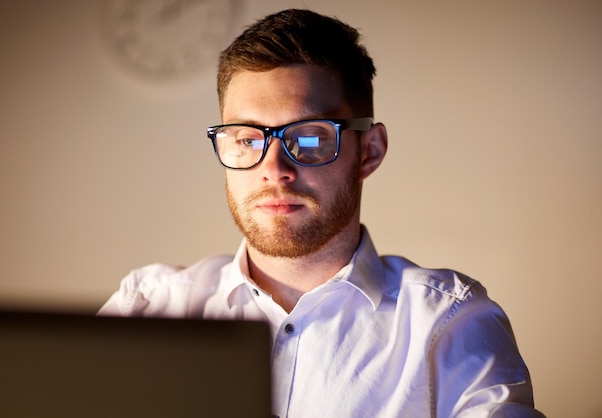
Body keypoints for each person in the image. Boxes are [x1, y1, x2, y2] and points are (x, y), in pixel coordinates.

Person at [99, 9, 545, 418]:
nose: (274, 170)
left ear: (369, 151)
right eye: (248, 139)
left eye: (309, 138)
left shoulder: (447, 324)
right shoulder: (148, 310)